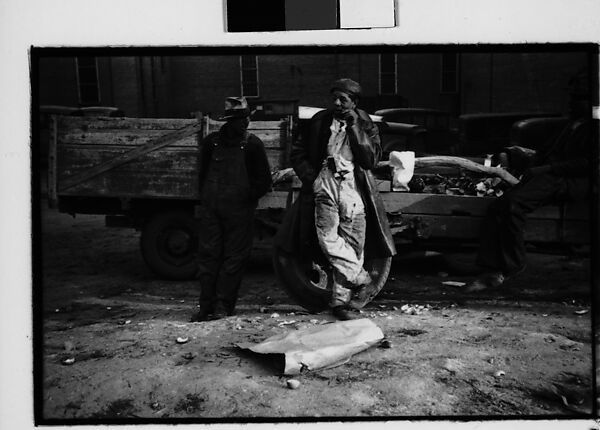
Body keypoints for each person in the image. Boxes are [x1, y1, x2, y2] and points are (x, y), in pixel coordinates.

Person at [276, 78, 396, 320]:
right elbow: (297, 152)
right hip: (326, 182)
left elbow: (370, 160)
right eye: (335, 98)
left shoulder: (365, 123)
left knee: (353, 243)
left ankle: (340, 302)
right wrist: (313, 177)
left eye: (343, 99)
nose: (337, 103)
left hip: (353, 186)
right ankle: (361, 278)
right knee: (327, 237)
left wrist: (354, 128)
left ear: (355, 102)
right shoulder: (320, 120)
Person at [466, 76, 592, 292]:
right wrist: (522, 161)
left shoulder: (593, 126)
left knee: (512, 205)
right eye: (571, 97)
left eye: (578, 98)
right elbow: (547, 152)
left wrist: (546, 169)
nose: (571, 102)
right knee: (497, 205)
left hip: (574, 181)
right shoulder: (572, 123)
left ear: (591, 102)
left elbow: (588, 164)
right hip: (554, 176)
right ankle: (490, 268)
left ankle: (511, 266)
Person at [191, 97, 272, 321]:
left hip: (238, 211)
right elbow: (203, 175)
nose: (246, 122)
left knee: (233, 259)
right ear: (230, 121)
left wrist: (246, 197)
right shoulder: (211, 143)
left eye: (246, 118)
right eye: (241, 119)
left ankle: (223, 306)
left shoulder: (252, 144)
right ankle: (206, 307)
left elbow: (263, 181)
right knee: (209, 258)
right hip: (212, 210)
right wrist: (208, 201)